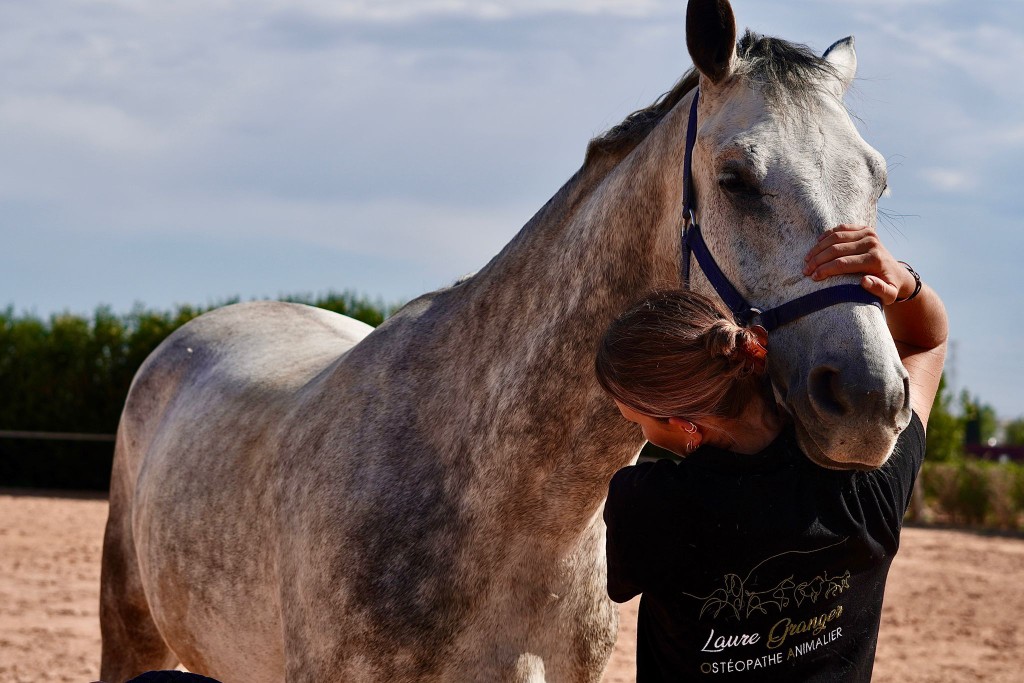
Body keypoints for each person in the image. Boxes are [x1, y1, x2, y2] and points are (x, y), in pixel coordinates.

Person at [595, 225, 948, 682]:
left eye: (636, 419)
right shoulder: (866, 490)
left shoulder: (647, 505)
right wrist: (902, 282)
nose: (637, 429)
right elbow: (927, 342)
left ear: (683, 423)